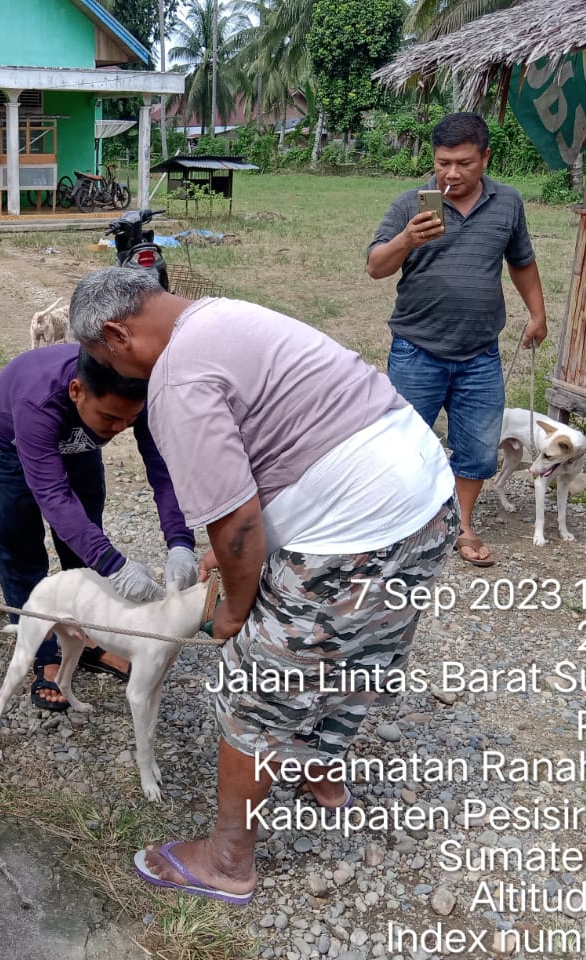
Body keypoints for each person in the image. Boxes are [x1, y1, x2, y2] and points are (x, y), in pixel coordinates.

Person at [68, 267, 457, 905]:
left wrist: (232, 613)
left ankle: (226, 861)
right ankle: (324, 779)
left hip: (354, 528)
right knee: (352, 654)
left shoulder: (176, 382)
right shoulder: (225, 312)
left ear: (115, 334)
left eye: (99, 355)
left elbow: (240, 524)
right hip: (425, 500)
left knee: (256, 684)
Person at [367, 111, 548, 567]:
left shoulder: (507, 203)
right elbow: (376, 266)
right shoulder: (412, 204)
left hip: (480, 353)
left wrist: (537, 313)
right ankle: (396, 525)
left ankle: (461, 525)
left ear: (485, 157)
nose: (451, 173)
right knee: (401, 446)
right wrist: (406, 240)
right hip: (417, 349)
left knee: (478, 450)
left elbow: (521, 261)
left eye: (464, 162)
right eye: (443, 162)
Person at [0, 343, 197, 711]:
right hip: (8, 443)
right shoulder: (38, 401)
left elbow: (162, 469)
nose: (119, 429)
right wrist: (115, 565)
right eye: (111, 419)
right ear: (77, 391)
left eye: (129, 421)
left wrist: (180, 541)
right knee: (20, 548)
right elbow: (53, 495)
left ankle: (89, 636)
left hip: (78, 440)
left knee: (83, 542)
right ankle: (44, 653)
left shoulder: (131, 391)